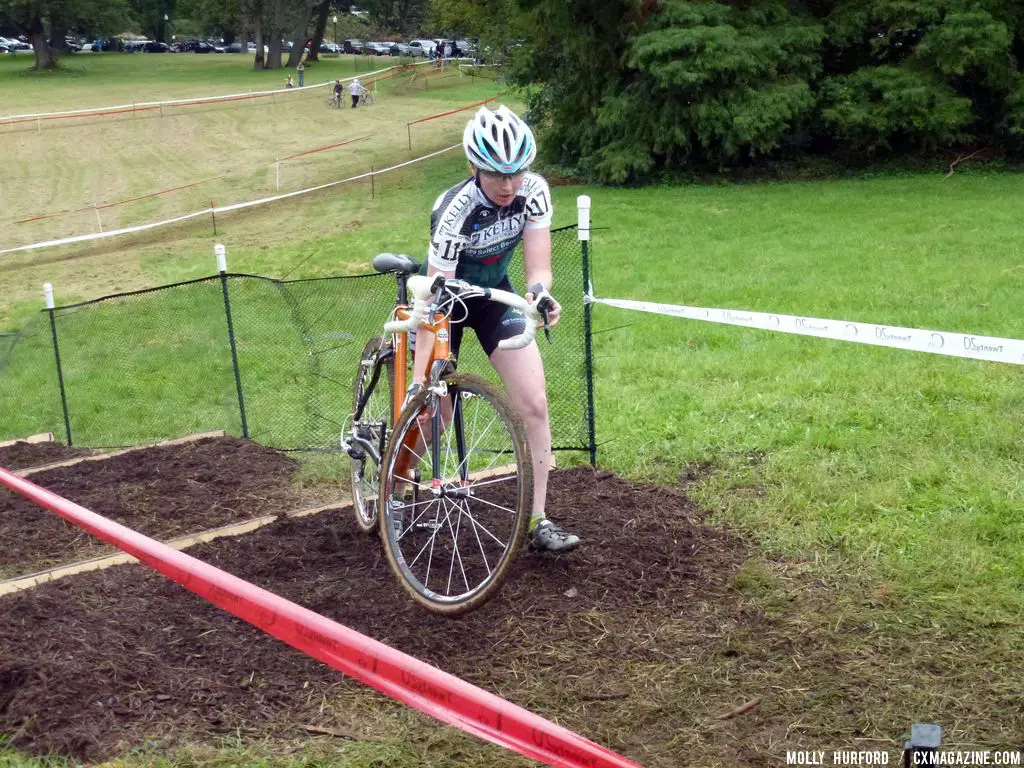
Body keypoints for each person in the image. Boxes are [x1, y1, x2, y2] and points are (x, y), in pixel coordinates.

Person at [404, 104, 580, 554]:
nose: (508, 185)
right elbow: (436, 293)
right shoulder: (454, 208)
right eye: (496, 174)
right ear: (473, 168)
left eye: (516, 173)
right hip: (442, 298)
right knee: (433, 411)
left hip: (493, 295)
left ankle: (538, 519)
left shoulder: (533, 192)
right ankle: (395, 490)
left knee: (535, 404)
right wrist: (425, 373)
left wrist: (539, 295)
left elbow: (538, 266)